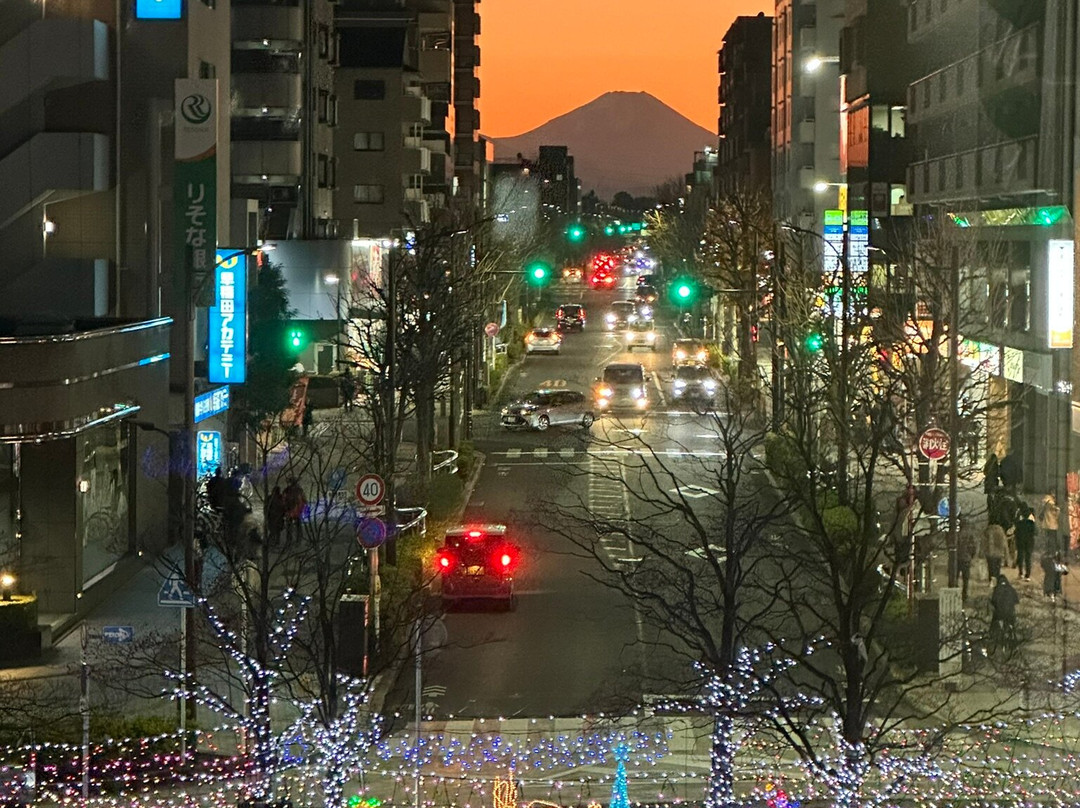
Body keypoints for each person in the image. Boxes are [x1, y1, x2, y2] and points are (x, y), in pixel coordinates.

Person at [990, 574, 1019, 643]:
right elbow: (1016, 601)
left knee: (994, 620)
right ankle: (1013, 637)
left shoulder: (997, 589)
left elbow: (993, 601)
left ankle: (991, 635)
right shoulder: (1012, 589)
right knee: (1012, 623)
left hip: (999, 613)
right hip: (1010, 613)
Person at [957, 516, 978, 601]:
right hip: (966, 559)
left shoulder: (956, 533)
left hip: (957, 558)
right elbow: (974, 547)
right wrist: (971, 555)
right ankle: (964, 595)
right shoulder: (970, 534)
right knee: (966, 579)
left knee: (955, 577)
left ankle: (955, 594)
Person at [1014, 506, 1036, 580]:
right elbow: (1035, 533)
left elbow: (1016, 533)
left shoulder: (1019, 523)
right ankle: (1028, 575)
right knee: (1028, 558)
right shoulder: (1032, 523)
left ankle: (1020, 573)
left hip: (1020, 542)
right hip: (1029, 542)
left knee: (1020, 557)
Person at [283, 477, 306, 542]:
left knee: (292, 526)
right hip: (294, 511)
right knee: (295, 526)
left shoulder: (288, 490)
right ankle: (295, 540)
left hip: (293, 511)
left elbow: (284, 501)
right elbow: (304, 500)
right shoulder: (298, 490)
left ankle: (292, 540)